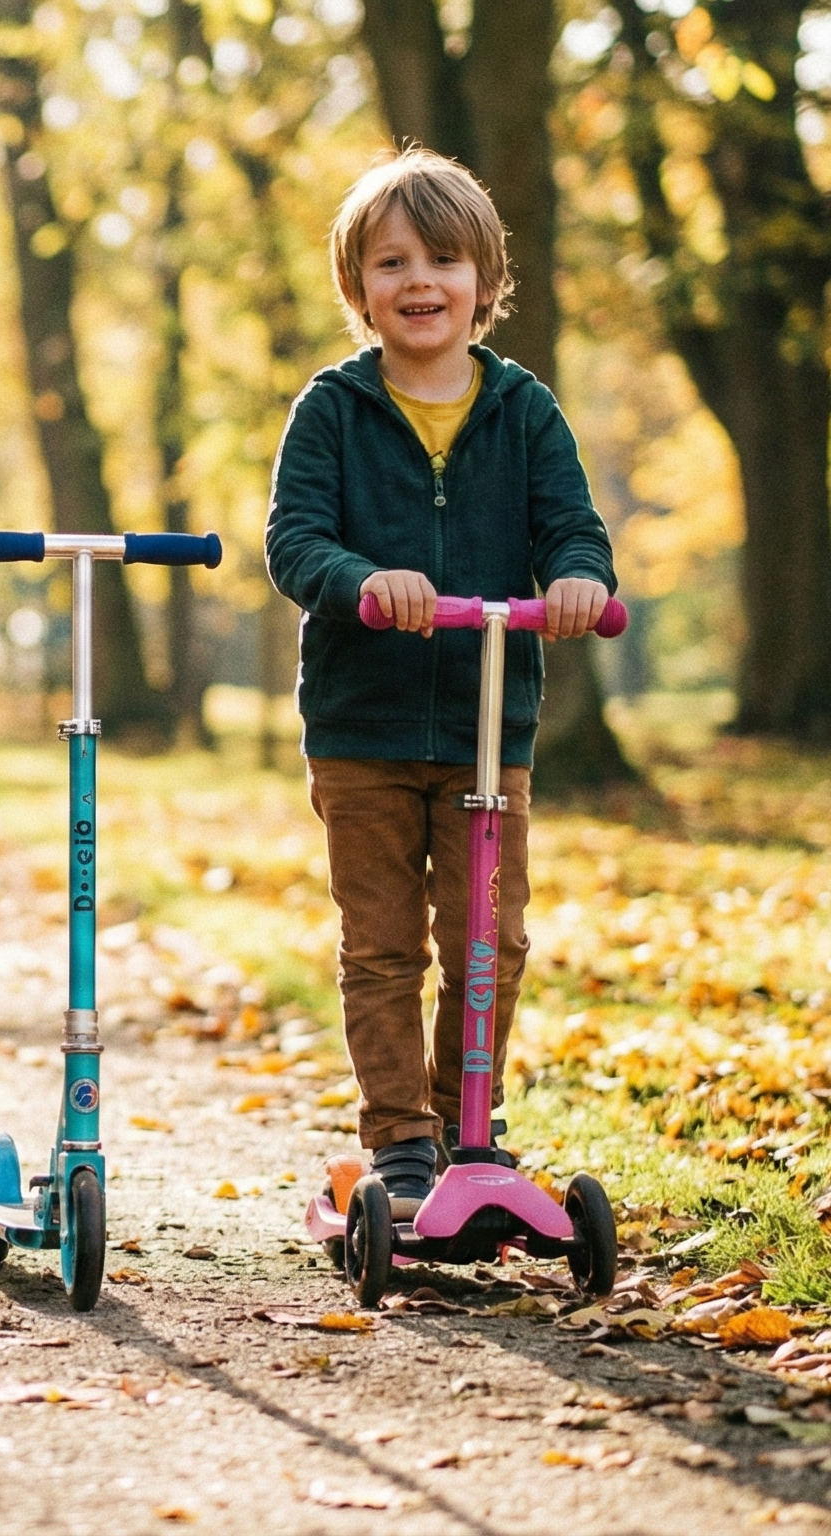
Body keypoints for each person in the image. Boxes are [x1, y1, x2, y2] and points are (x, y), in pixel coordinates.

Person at [265, 148, 616, 1217]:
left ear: (485, 279)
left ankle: (472, 1122)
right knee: (382, 945)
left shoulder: (525, 411)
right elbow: (294, 542)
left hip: (486, 727)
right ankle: (401, 1138)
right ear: (358, 287)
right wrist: (364, 583)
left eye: (444, 259)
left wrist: (578, 579)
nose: (420, 280)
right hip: (362, 727)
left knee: (489, 941)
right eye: (392, 262)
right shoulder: (332, 409)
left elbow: (571, 526)